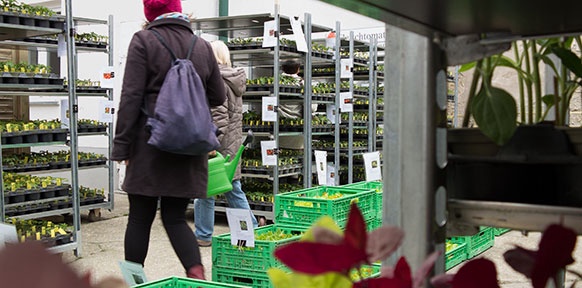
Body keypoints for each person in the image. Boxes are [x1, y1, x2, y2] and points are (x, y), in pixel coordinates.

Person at [111, 0, 225, 280]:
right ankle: (197, 274)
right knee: (174, 217)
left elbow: (131, 98)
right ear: (179, 9)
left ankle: (135, 283)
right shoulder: (201, 46)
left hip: (147, 145)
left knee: (139, 217)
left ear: (150, 14)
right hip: (189, 146)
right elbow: (219, 96)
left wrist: (121, 147)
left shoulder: (144, 40)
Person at [194, 40, 261, 247]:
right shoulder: (233, 79)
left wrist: (210, 144)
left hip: (219, 144)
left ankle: (204, 235)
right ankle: (251, 228)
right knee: (231, 188)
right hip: (231, 142)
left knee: (206, 190)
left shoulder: (218, 80)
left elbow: (219, 115)